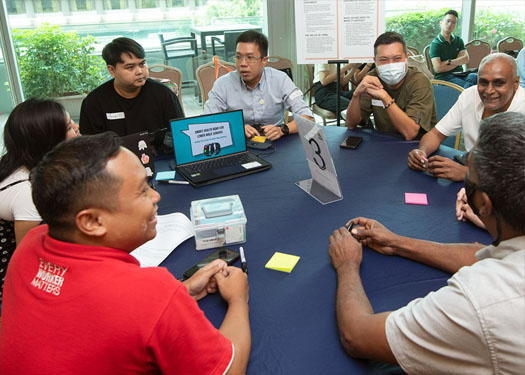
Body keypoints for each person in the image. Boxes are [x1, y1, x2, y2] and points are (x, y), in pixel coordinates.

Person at [0, 133, 251, 374]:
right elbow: (229, 371)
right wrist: (238, 299)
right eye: (142, 191)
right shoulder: (152, 292)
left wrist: (181, 291)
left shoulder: (30, 244)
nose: (156, 196)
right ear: (92, 221)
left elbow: (90, 317)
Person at [328, 111, 525, 374]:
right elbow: (482, 255)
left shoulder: (479, 301)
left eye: (470, 181)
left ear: (485, 204)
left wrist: (347, 265)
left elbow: (357, 336)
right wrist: (396, 242)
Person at [0, 98, 79, 303]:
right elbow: (27, 260)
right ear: (50, 141)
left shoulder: (23, 161)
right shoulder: (27, 193)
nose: (77, 129)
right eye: (70, 127)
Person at [408, 53, 523, 181]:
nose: (489, 90)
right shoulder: (469, 96)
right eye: (483, 82)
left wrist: (468, 174)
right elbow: (436, 134)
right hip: (475, 174)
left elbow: (518, 175)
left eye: (498, 83)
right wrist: (422, 153)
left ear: (516, 82)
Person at [204, 30, 313, 141]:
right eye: (238, 57)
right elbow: (208, 121)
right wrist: (235, 127)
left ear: (264, 60)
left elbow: (308, 119)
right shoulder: (223, 84)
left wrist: (282, 129)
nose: (243, 64)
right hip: (237, 142)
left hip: (275, 142)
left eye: (250, 58)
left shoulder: (280, 80)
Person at [80, 37, 184, 150]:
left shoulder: (163, 94)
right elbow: (90, 146)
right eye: (130, 67)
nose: (139, 71)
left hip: (159, 158)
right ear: (112, 70)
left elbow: (181, 135)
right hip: (115, 160)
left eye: (142, 64)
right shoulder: (94, 102)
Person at [346, 32, 437, 140]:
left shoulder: (419, 82)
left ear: (407, 58)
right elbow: (351, 124)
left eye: (397, 58)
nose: (391, 64)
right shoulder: (372, 78)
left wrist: (385, 97)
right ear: (375, 61)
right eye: (383, 60)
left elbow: (410, 133)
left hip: (418, 147)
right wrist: (356, 94)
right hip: (385, 143)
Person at [429, 10, 478, 88]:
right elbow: (438, 68)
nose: (450, 24)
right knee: (468, 86)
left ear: (455, 26)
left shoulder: (458, 40)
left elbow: (466, 59)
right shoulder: (435, 44)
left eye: (453, 23)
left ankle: (464, 96)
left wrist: (448, 62)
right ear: (441, 23)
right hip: (444, 78)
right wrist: (458, 60)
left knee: (475, 77)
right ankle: (465, 96)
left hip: (460, 74)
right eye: (448, 21)